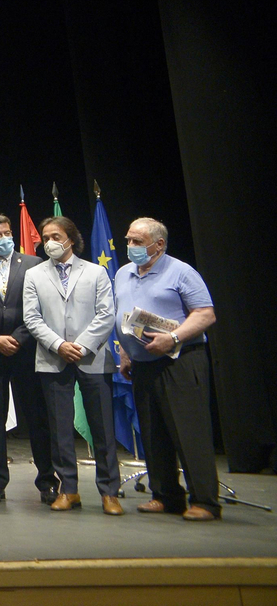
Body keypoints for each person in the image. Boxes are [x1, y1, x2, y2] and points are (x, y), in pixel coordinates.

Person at [115, 217, 219, 521]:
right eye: (129, 240)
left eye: (137, 241)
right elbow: (122, 317)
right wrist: (124, 353)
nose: (130, 246)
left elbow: (205, 314)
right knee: (153, 432)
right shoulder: (123, 273)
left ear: (158, 244)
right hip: (142, 364)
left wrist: (172, 337)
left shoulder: (181, 271)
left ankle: (205, 501)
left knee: (189, 433)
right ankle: (165, 495)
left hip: (180, 361)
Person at [21, 215, 122, 515]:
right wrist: (59, 345)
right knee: (60, 429)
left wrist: (81, 345)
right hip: (53, 359)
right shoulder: (35, 274)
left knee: (102, 427)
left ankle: (109, 492)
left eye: (55, 236)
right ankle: (69, 490)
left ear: (71, 238)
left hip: (92, 357)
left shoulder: (95, 272)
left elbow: (107, 314)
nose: (49, 242)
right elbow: (31, 317)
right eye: (45, 236)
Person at [0, 213, 57, 504]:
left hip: (27, 352)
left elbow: (41, 308)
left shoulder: (34, 264)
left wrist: (19, 338)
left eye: (7, 233)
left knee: (37, 419)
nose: (4, 238)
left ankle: (47, 481)